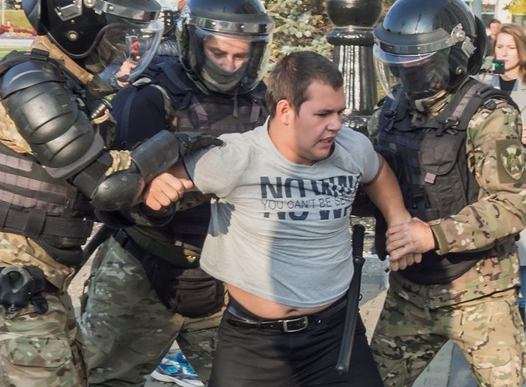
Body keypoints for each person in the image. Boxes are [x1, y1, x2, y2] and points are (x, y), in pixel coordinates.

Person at [0, 0, 214, 386]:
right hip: (13, 286)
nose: (118, 49)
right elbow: (110, 186)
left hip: (43, 282)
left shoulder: (68, 84)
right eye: (113, 35)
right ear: (79, 26)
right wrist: (177, 142)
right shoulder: (31, 85)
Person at [142, 50, 414, 386]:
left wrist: (398, 217)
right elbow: (162, 181)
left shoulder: (351, 148)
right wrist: (158, 186)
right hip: (254, 345)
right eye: (323, 114)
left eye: (340, 112)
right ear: (285, 110)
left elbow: (378, 172)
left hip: (335, 334)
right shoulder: (236, 156)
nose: (336, 125)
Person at [79, 0, 274, 387]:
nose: (229, 65)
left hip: (226, 271)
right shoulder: (151, 94)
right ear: (193, 42)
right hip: (143, 265)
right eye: (218, 53)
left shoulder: (264, 102)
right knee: (102, 378)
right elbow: (112, 188)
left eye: (241, 56)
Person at [368, 0, 526, 386]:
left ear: (452, 57)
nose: (406, 75)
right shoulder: (392, 111)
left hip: (481, 295)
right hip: (410, 293)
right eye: (399, 63)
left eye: (417, 64)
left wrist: (432, 234)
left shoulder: (489, 114)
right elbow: (369, 175)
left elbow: (513, 204)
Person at [97, 0, 200, 92]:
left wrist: (147, 59)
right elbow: (102, 70)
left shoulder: (197, 33)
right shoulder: (134, 25)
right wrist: (118, 77)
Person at [486, 23, 526, 320]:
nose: (504, 53)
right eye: (500, 46)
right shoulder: (485, 80)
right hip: (490, 174)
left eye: (511, 47)